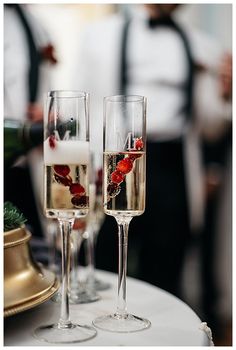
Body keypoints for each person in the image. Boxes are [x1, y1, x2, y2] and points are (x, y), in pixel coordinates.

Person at [74, 3, 232, 307]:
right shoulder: (97, 36)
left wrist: (226, 97)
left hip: (173, 166)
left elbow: (211, 128)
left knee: (167, 263)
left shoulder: (204, 46)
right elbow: (80, 110)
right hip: (113, 161)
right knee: (104, 257)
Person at [4, 4, 57, 243]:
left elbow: (45, 84)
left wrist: (47, 113)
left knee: (33, 248)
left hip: (28, 164)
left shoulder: (37, 25)